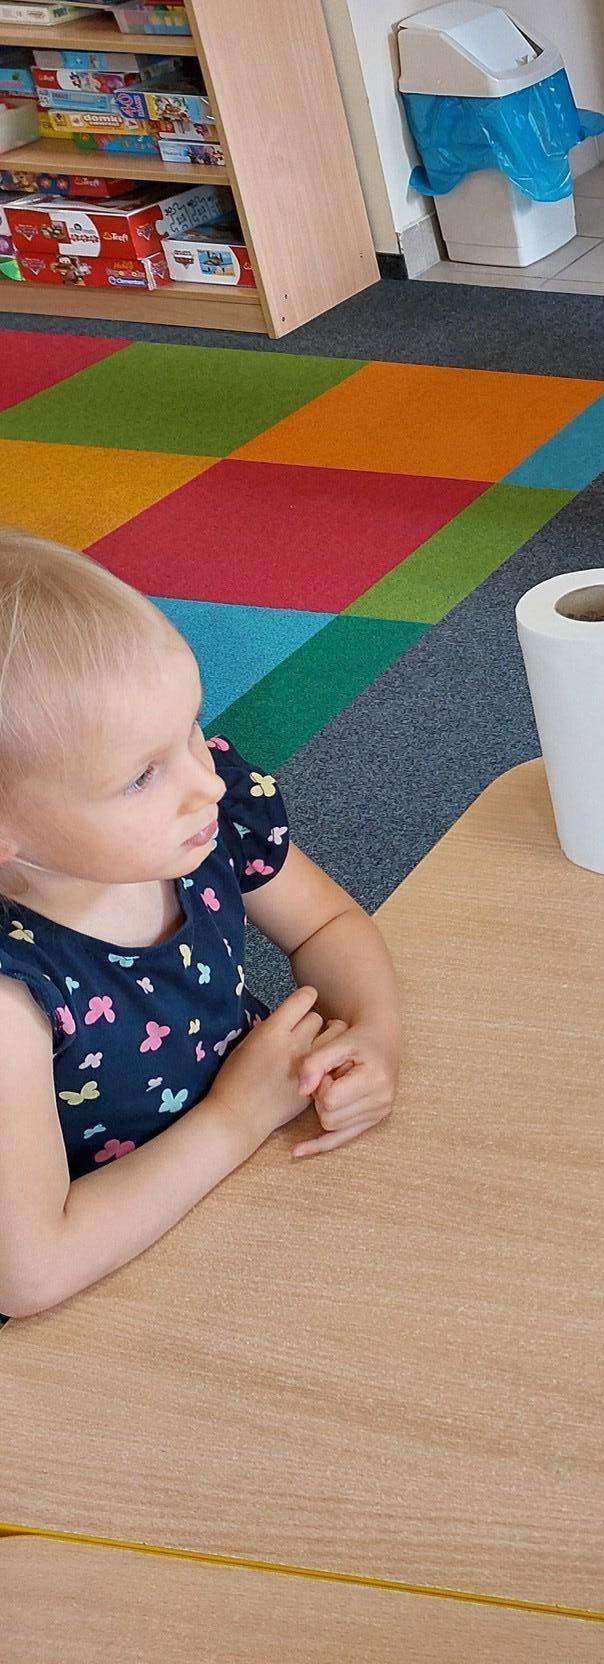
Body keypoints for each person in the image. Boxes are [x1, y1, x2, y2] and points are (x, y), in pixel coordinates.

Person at [0, 531, 401, 1317]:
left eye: (189, 727)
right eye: (141, 777)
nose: (207, 784)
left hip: (242, 1187)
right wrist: (236, 1118)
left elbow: (325, 924)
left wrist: (373, 1030)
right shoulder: (14, 997)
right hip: (105, 1291)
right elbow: (29, 1275)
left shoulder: (195, 826)